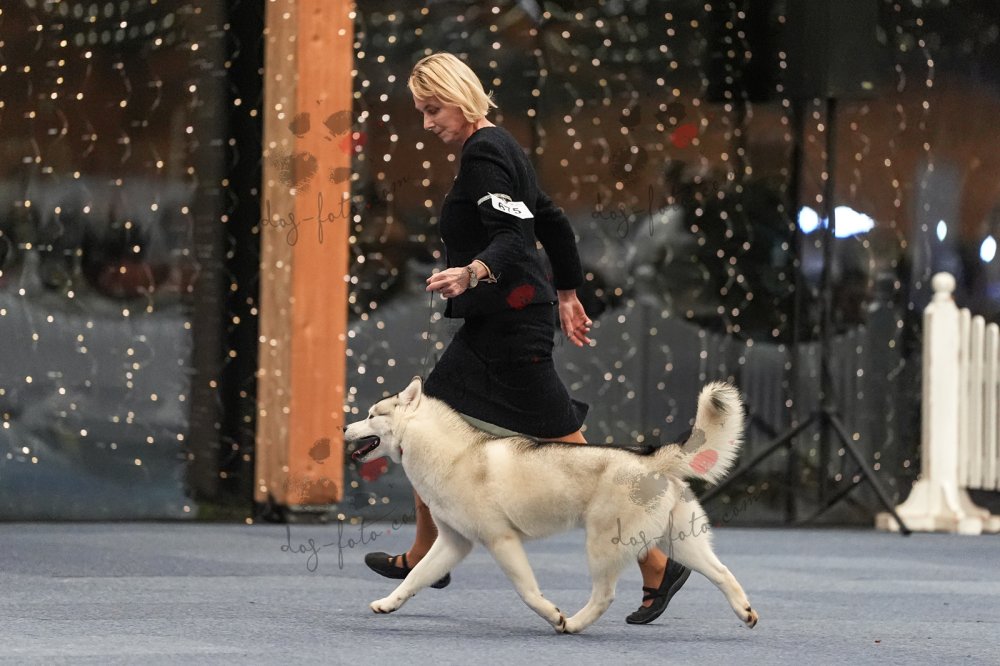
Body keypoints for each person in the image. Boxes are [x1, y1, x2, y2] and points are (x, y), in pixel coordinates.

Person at [363, 52, 690, 624]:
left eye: (433, 109)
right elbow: (552, 220)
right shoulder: (503, 144)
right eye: (421, 111)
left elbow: (514, 236)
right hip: (504, 320)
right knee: (423, 421)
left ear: (460, 98)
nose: (427, 123)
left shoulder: (484, 154)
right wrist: (566, 291)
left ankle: (657, 563)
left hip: (511, 328)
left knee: (579, 460)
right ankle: (423, 553)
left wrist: (472, 273)